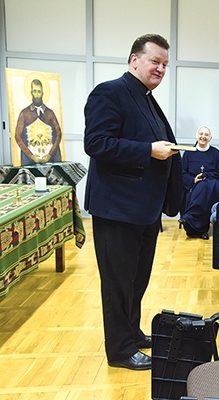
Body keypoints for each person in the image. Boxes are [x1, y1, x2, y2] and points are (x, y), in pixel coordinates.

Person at [84, 34, 182, 371]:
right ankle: (121, 350)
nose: (160, 69)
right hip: (118, 209)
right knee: (117, 283)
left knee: (136, 280)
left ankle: (132, 332)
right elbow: (97, 143)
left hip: (144, 210)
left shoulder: (146, 98)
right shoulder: (110, 92)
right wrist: (148, 151)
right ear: (134, 59)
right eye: (155, 61)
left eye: (165, 64)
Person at [179, 126, 219, 239]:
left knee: (205, 189)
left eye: (206, 134)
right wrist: (193, 180)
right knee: (197, 190)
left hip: (211, 183)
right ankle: (192, 228)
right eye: (201, 134)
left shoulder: (215, 153)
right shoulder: (189, 153)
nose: (203, 137)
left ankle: (196, 224)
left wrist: (206, 176)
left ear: (210, 137)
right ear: (197, 136)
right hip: (193, 183)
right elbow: (182, 172)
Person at [15, 78, 63, 164]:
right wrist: (31, 155)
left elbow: (58, 134)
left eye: (39, 92)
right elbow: (18, 136)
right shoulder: (25, 113)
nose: (37, 94)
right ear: (31, 93)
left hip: (49, 158)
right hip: (30, 159)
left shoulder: (49, 113)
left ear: (42, 93)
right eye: (35, 91)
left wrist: (50, 154)